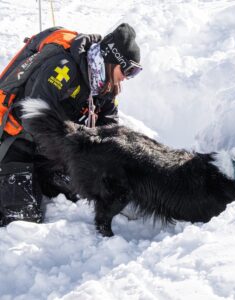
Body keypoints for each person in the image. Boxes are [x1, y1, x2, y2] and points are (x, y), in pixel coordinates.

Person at [0, 23, 142, 225]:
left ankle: (42, 180)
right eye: (128, 70)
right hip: (18, 144)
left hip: (52, 152)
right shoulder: (63, 68)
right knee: (23, 221)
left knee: (88, 192)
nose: (128, 77)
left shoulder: (106, 87)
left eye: (134, 72)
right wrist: (78, 138)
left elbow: (109, 131)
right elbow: (32, 119)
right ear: (112, 60)